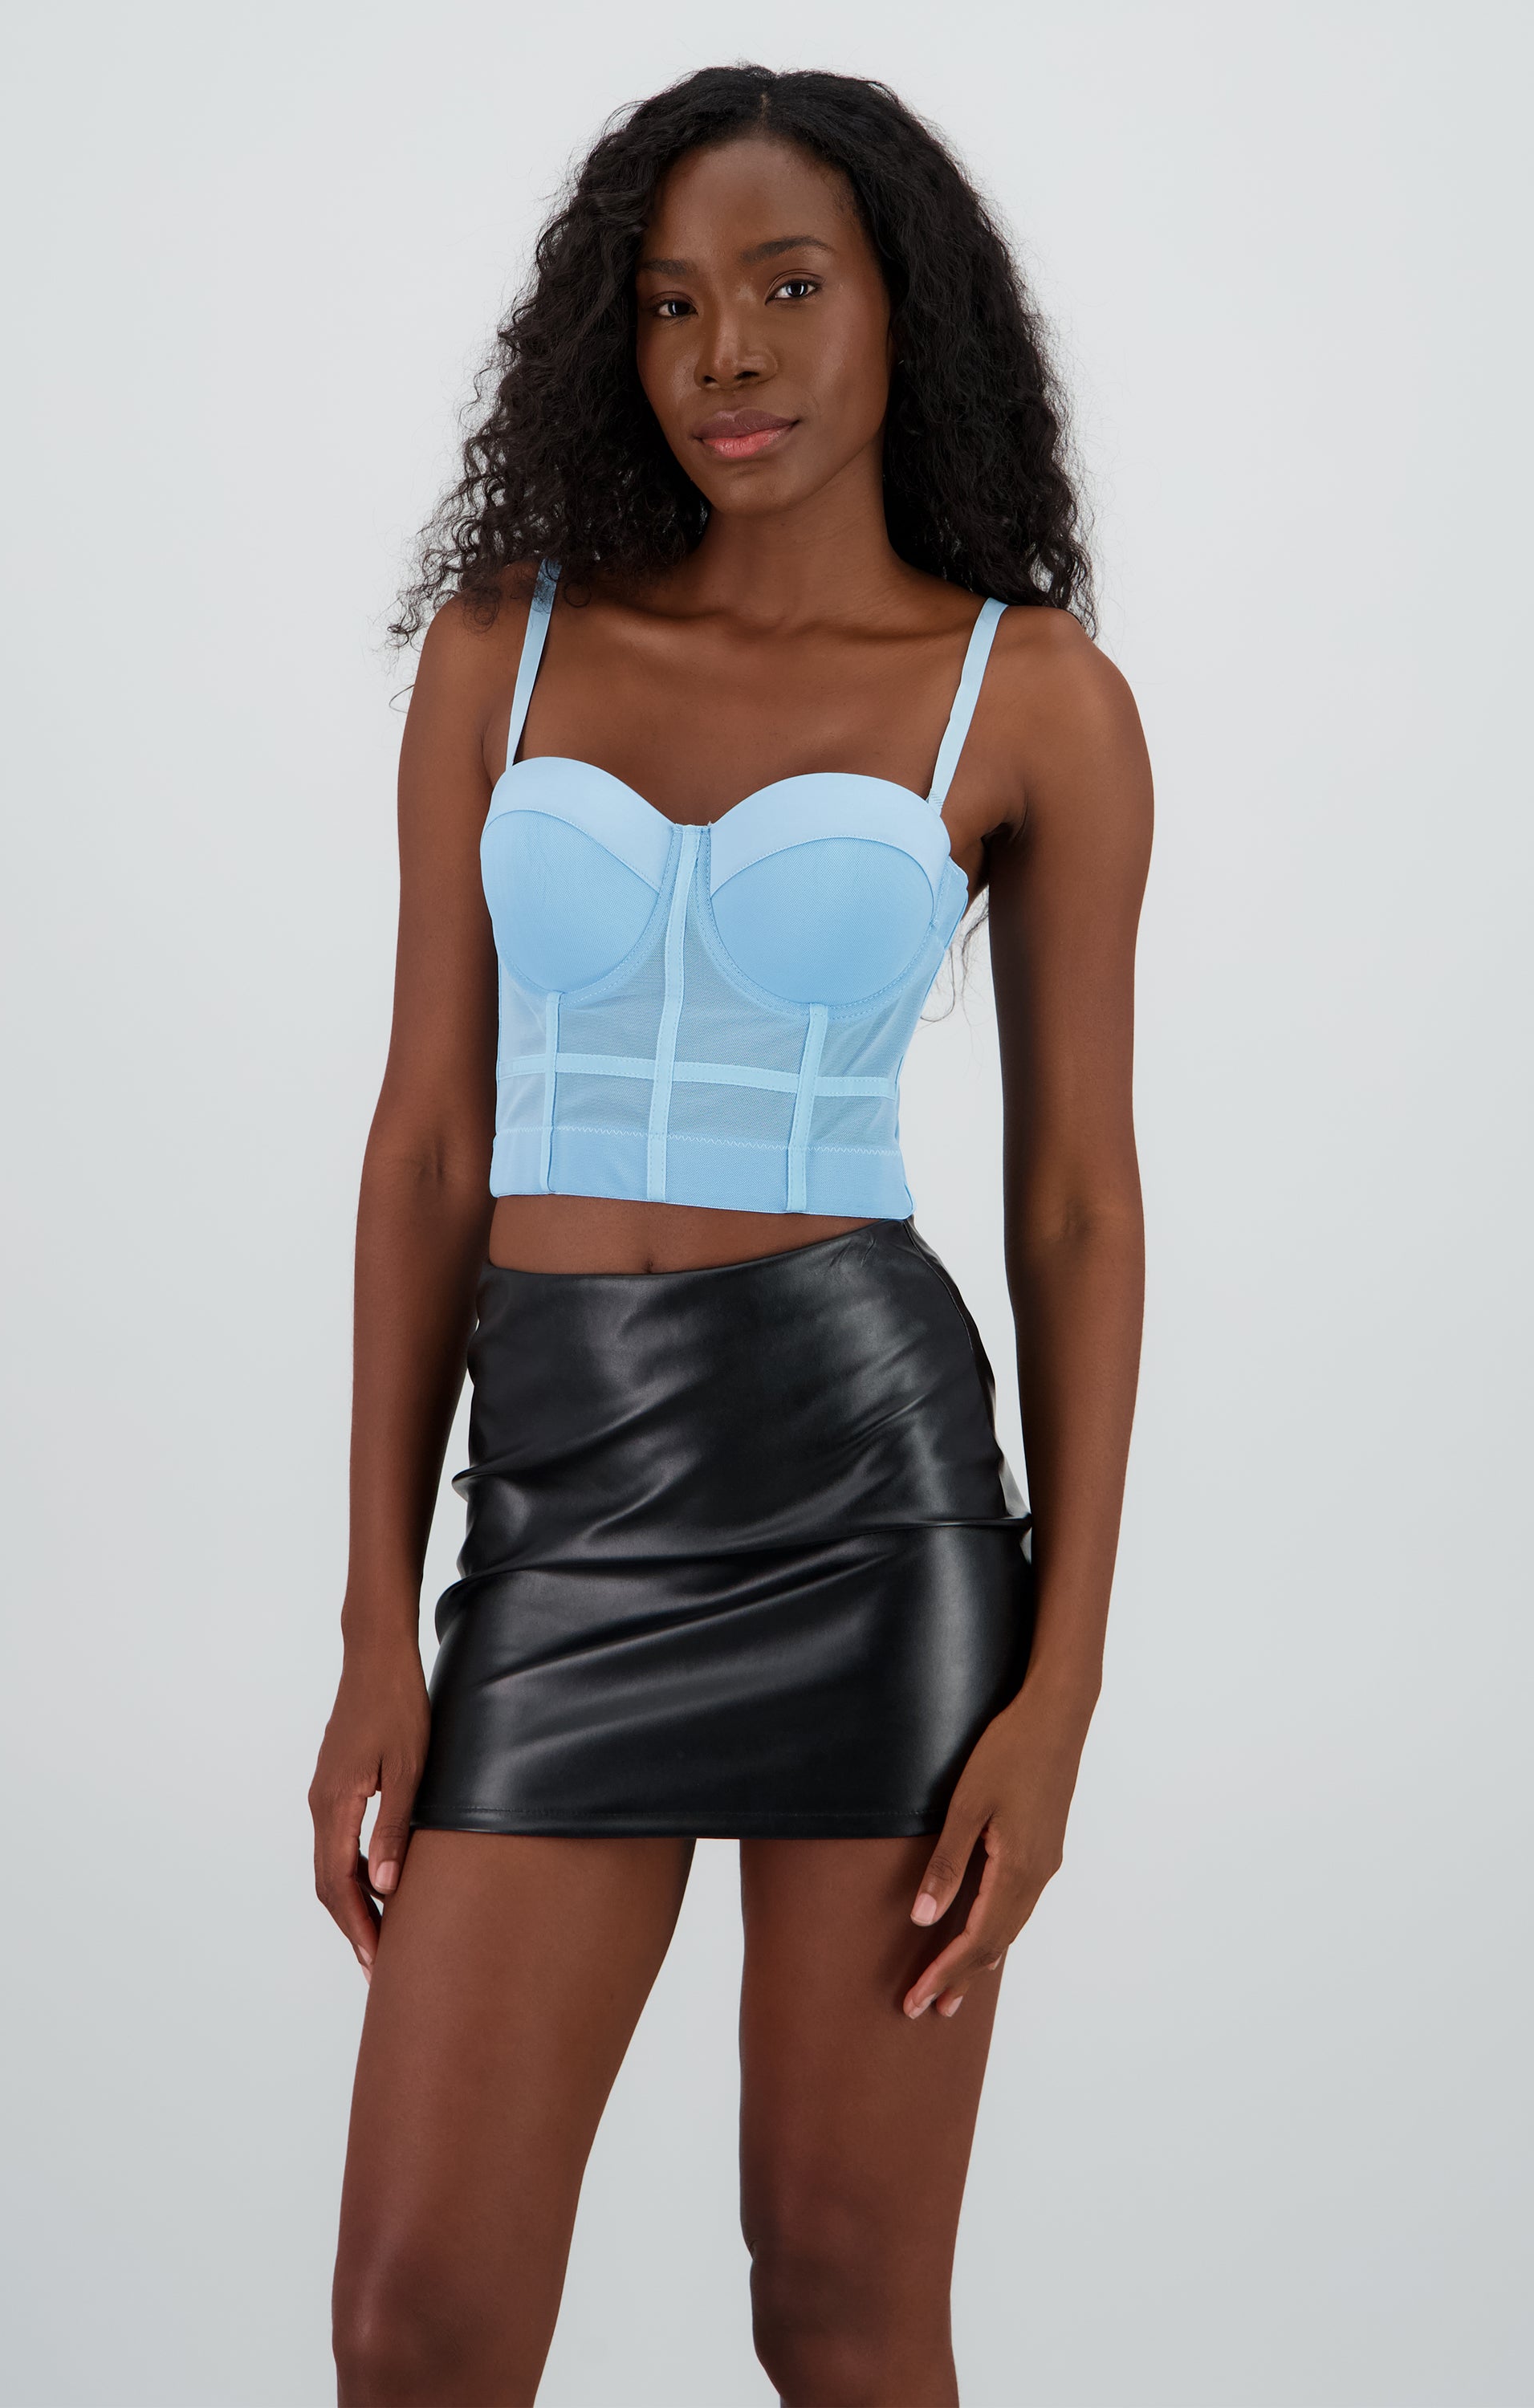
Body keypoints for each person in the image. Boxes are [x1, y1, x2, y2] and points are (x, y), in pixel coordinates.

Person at [311, 62, 1151, 2408]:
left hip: (870, 1508)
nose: (728, 356)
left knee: (842, 2311)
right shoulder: (502, 649)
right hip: (558, 1507)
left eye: (789, 289)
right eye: (673, 303)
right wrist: (379, 1622)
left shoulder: (1030, 699)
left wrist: (1063, 1687)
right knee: (416, 2325)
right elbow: (427, 1147)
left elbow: (1078, 1201)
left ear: (906, 314)